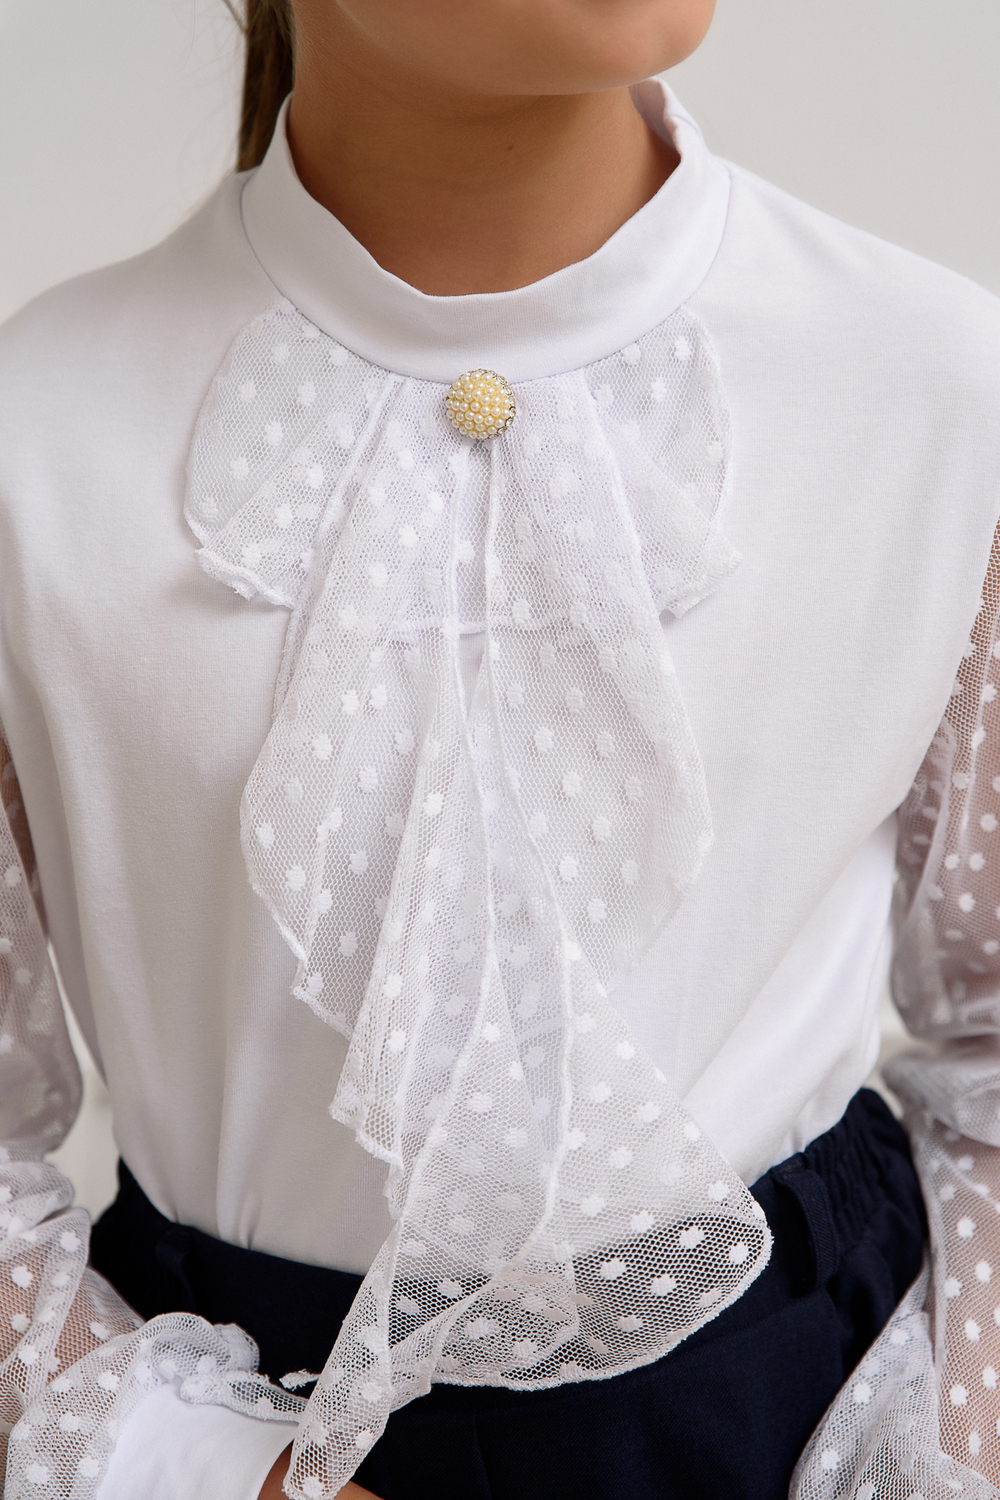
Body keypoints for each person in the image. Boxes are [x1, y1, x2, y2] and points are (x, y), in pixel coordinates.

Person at [1, 0, 1000, 1496]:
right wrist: (185, 1467)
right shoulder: (34, 434)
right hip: (238, 1419)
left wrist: (942, 1449)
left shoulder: (938, 389)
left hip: (813, 1423)